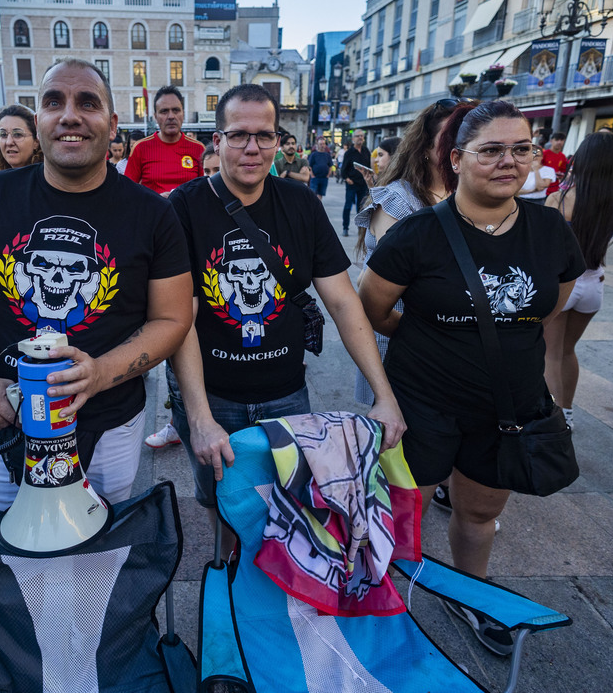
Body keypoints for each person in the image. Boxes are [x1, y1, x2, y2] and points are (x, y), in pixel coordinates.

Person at [358, 100, 584, 655]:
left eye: (521, 148)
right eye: (491, 150)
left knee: (480, 513)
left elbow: (552, 302)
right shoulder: (416, 234)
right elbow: (373, 307)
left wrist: (505, 334)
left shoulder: (549, 227)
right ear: (457, 158)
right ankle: (382, 600)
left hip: (507, 409)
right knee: (402, 513)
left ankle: (469, 594)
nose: (508, 161)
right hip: (421, 404)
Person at [0, 58, 192, 509]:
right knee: (10, 553)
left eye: (87, 102)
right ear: (39, 122)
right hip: (8, 419)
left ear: (112, 125)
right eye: (55, 102)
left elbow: (173, 317)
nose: (70, 114)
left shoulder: (153, 213)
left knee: (97, 554)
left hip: (111, 425)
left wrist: (100, 374)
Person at [164, 84, 406, 544]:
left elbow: (342, 301)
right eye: (238, 135)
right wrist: (198, 417)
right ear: (217, 141)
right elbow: (182, 319)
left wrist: (384, 393)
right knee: (219, 501)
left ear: (279, 142)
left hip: (287, 394)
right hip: (212, 395)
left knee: (290, 504)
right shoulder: (185, 207)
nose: (251, 148)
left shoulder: (301, 205)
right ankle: (231, 573)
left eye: (264, 135)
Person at [352, 99, 455, 407]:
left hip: (447, 345)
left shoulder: (465, 196)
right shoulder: (399, 199)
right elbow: (375, 289)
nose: (460, 148)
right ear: (425, 147)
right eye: (450, 139)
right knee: (396, 438)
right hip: (401, 340)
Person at [542, 132, 613, 426]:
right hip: (594, 284)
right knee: (568, 351)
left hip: (563, 285)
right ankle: (567, 411)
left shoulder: (560, 198)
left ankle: (554, 422)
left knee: (549, 354)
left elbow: (545, 248)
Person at [123, 86, 205, 195]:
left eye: (176, 110)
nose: (171, 116)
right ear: (155, 116)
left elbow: (204, 192)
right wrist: (157, 200)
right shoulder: (140, 148)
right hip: (153, 212)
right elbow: (127, 191)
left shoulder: (198, 149)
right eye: (164, 111)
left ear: (183, 113)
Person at [0, 104, 44, 172]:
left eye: (18, 135)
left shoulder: (50, 179)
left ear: (36, 141)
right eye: (3, 135)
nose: (9, 142)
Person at [340, 131, 370, 236]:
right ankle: (345, 228)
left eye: (362, 136)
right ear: (353, 139)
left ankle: (360, 229)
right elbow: (343, 169)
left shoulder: (366, 151)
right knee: (348, 206)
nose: (360, 138)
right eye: (358, 136)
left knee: (361, 208)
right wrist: (347, 179)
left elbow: (369, 166)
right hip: (351, 184)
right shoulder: (349, 153)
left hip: (363, 184)